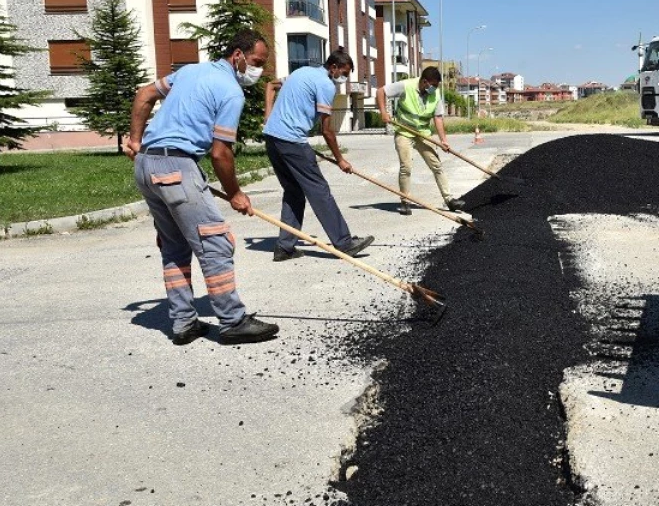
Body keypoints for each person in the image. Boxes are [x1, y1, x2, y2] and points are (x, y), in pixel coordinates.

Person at [124, 30, 279, 346]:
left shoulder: (190, 71)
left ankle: (183, 323)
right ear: (237, 55)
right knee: (216, 243)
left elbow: (144, 94)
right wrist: (235, 193)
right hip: (176, 167)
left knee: (174, 245)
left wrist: (136, 142)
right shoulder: (231, 92)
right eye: (256, 62)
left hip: (146, 165)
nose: (258, 70)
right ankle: (233, 321)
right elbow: (220, 152)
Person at [262, 52, 374, 262]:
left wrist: (268, 115)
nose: (344, 78)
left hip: (272, 139)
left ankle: (284, 247)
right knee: (319, 191)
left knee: (293, 192)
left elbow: (271, 85)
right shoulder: (325, 84)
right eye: (344, 73)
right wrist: (340, 159)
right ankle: (344, 243)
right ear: (333, 67)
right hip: (293, 141)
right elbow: (327, 130)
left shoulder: (301, 72)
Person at [375, 66, 465, 215]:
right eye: (434, 85)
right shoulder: (406, 86)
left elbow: (438, 118)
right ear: (425, 82)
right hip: (404, 131)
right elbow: (381, 91)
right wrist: (384, 112)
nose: (436, 89)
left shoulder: (435, 94)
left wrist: (443, 141)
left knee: (436, 165)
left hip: (423, 133)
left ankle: (449, 200)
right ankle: (405, 202)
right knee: (406, 167)